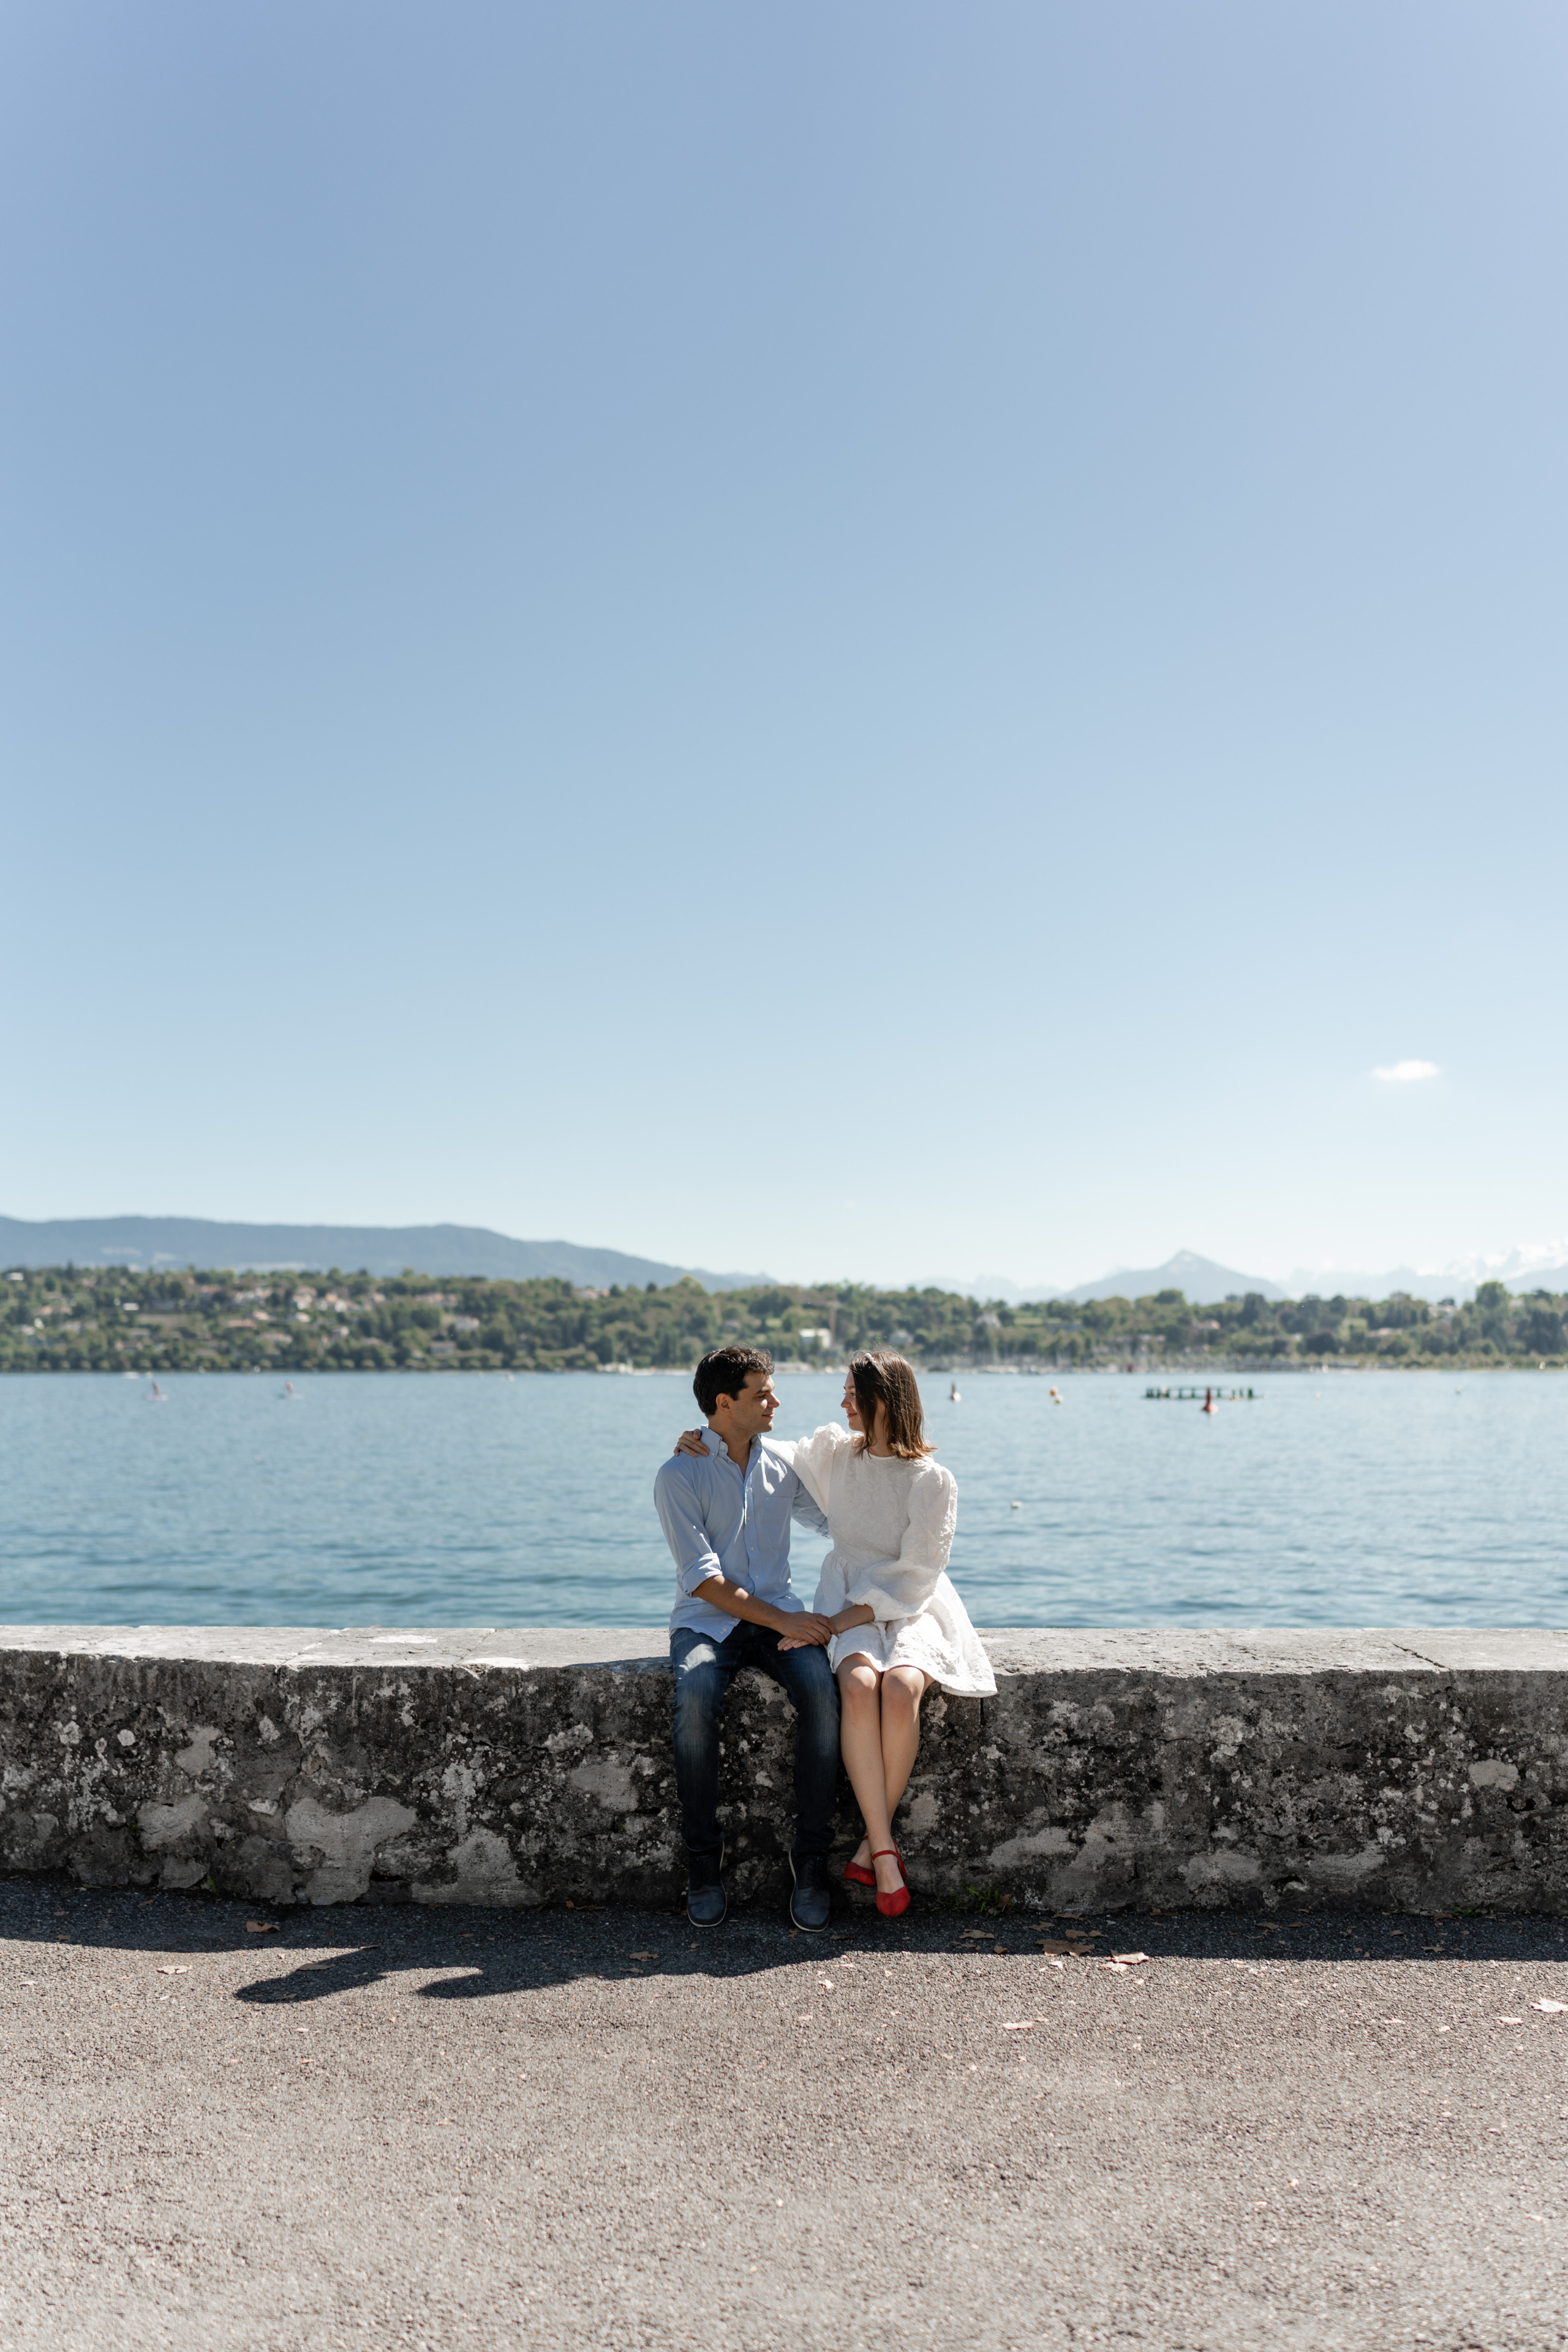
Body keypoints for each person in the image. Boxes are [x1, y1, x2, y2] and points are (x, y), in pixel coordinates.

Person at [675, 1351, 994, 1918]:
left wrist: (826, 1622)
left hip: (902, 1602)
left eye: (850, 1392)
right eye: (764, 1394)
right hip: (804, 1606)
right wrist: (700, 1439)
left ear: (881, 1401)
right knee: (836, 1687)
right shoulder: (822, 1457)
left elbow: (895, 1559)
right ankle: (717, 1867)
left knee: (882, 1690)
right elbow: (747, 1457)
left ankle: (863, 1849)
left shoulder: (924, 1480)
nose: (840, 1401)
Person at [654, 1346, 840, 1934]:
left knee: (821, 1692)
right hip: (707, 1622)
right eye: (762, 1393)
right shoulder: (678, 1473)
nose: (775, 1402)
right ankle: (704, 1866)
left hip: (779, 1616)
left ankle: (810, 1863)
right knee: (696, 1697)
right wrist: (786, 1621)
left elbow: (838, 1519)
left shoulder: (784, 1461)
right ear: (723, 1403)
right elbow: (704, 1581)